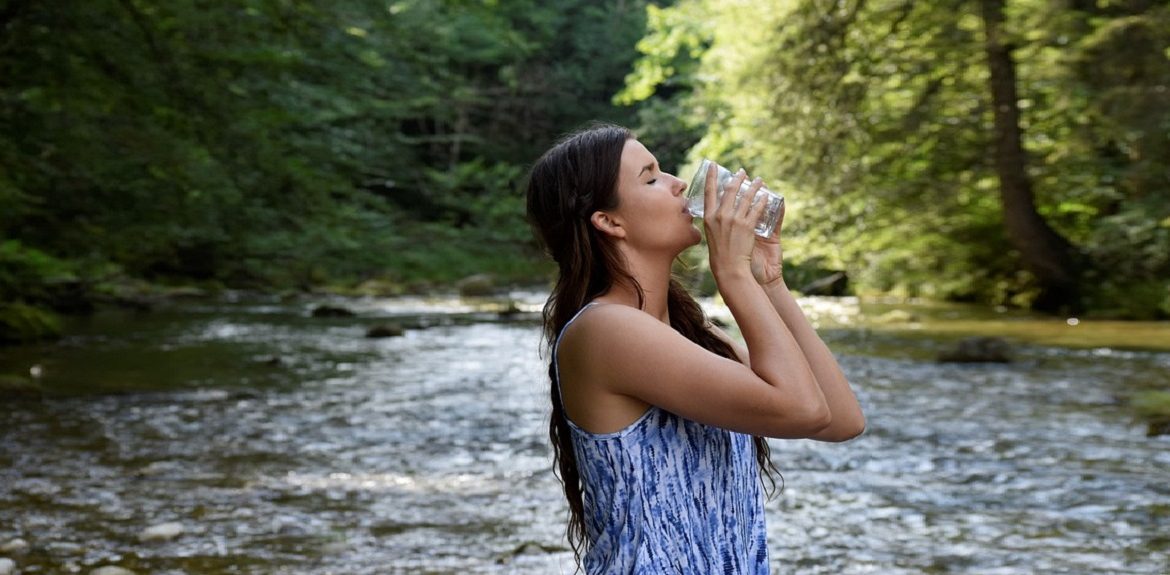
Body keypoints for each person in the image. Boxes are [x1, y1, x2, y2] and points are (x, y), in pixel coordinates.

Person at [525, 123, 865, 574]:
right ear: (610, 222)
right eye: (651, 178)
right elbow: (802, 410)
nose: (679, 184)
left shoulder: (689, 332)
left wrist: (769, 281)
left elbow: (840, 419)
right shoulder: (606, 330)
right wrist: (734, 275)